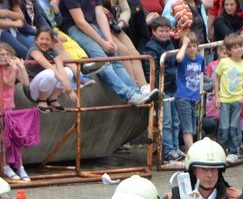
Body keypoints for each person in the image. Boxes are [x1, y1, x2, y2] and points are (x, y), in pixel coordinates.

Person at [56, 0, 159, 105]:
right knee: (103, 61)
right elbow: (80, 22)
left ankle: (134, 91)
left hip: (92, 24)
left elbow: (100, 15)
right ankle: (128, 95)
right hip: (74, 27)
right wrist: (102, 42)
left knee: (115, 58)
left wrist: (109, 40)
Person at [0, 41, 31, 181]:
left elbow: (25, 83)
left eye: (8, 54)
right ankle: (4, 166)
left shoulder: (14, 68)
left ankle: (19, 166)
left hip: (8, 107)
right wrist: (13, 69)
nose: (5, 57)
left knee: (14, 138)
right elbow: (9, 83)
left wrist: (22, 68)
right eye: (2, 54)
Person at [142, 16, 180, 161]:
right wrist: (157, 88)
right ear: (153, 31)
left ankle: (175, 147)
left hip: (173, 87)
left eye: (166, 30)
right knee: (166, 121)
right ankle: (167, 149)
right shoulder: (151, 48)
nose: (164, 34)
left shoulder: (170, 44)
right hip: (162, 89)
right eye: (161, 31)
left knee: (175, 121)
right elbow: (151, 71)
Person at [214, 33, 243, 164]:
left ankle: (233, 151)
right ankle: (220, 150)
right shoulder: (224, 62)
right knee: (224, 127)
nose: (239, 49)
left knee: (234, 127)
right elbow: (217, 78)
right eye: (235, 47)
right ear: (229, 50)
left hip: (237, 101)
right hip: (224, 100)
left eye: (240, 46)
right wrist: (217, 96)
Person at [27, 27, 77, 111]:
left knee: (68, 71)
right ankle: (42, 100)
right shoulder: (34, 50)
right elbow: (48, 65)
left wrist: (68, 85)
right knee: (50, 72)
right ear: (36, 40)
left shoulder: (53, 51)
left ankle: (53, 99)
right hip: (33, 89)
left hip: (47, 87)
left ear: (51, 42)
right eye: (41, 39)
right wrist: (65, 83)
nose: (44, 42)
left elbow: (60, 67)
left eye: (47, 39)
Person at [174, 30, 204, 152]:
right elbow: (178, 58)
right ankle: (192, 153)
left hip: (194, 97)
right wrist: (184, 44)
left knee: (193, 128)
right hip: (183, 97)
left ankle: (189, 150)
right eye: (189, 46)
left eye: (194, 46)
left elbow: (200, 75)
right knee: (187, 128)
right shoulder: (184, 59)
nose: (192, 49)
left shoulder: (200, 59)